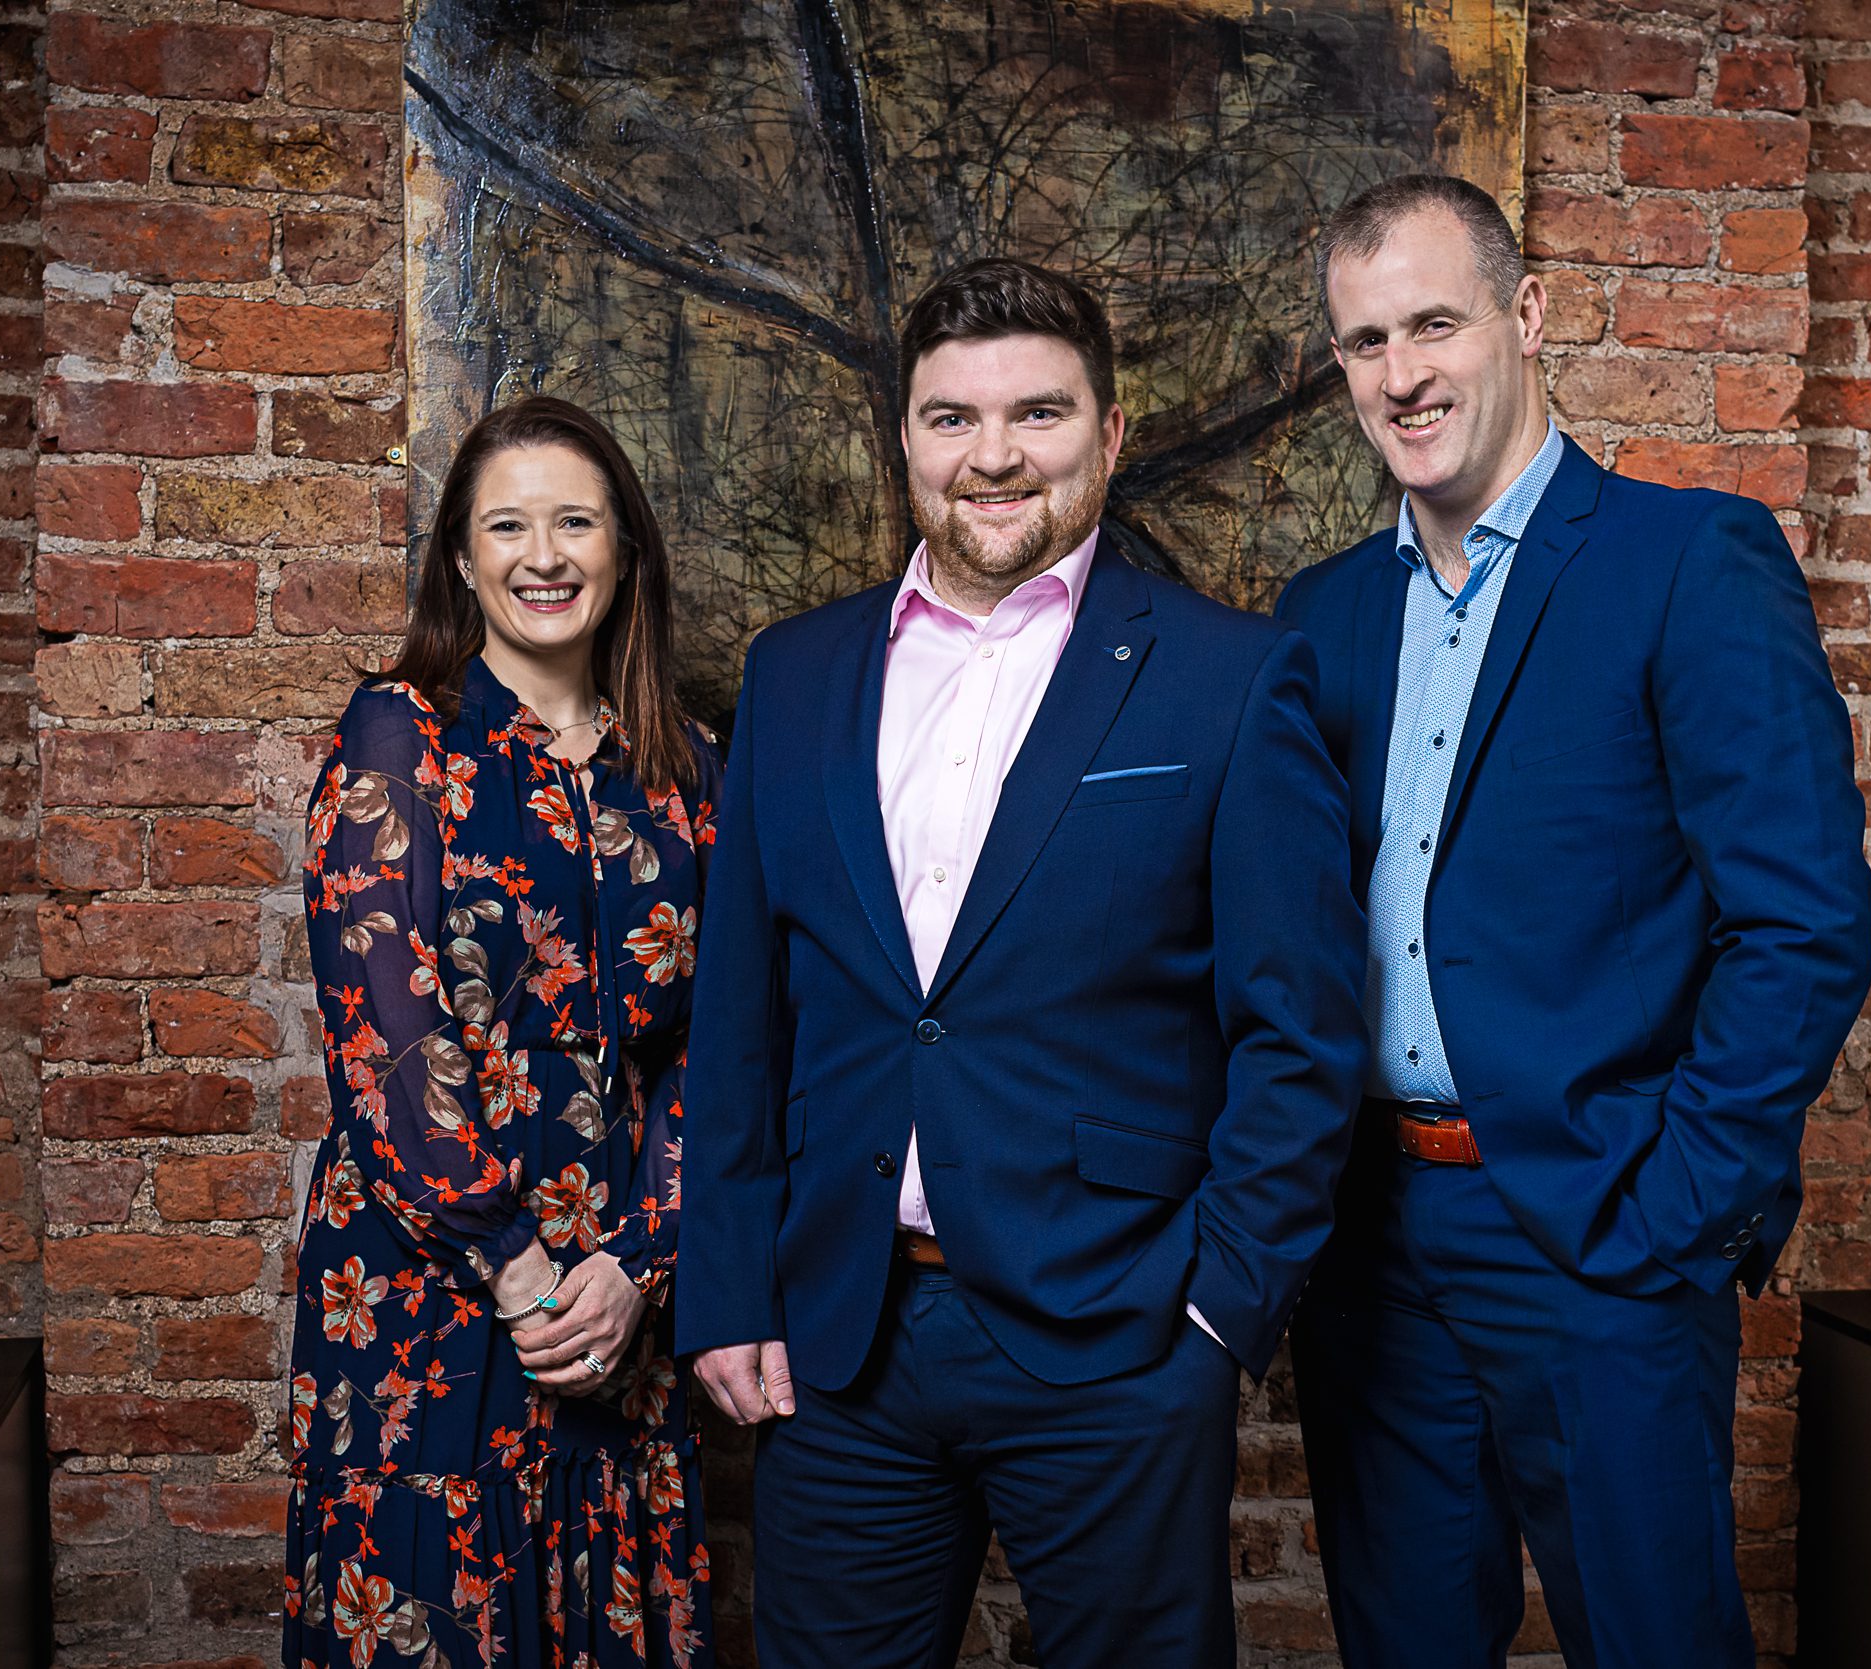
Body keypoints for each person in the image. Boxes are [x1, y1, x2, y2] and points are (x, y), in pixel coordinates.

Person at [676, 257, 1366, 1669]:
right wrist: (733, 1284)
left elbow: (1300, 1030)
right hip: (842, 1338)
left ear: (1109, 435)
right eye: (952, 418)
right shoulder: (795, 674)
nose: (994, 457)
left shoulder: (1230, 678)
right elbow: (744, 1012)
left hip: (1117, 1335)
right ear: (907, 437)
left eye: (1039, 414)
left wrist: (1217, 1315)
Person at [1275, 175, 1871, 1668]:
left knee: (1656, 1641)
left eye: (1433, 323)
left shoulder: (1690, 563)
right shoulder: (1318, 615)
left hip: (1602, 1229)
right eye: (1364, 343)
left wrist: (1675, 1211)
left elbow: (1803, 924)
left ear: (1526, 316)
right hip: (1370, 1246)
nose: (1401, 374)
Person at [286, 396, 718, 1669]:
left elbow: (720, 1046)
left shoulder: (689, 768)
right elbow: (385, 1042)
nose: (545, 555)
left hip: (617, 1305)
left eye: (576, 521)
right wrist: (521, 1273)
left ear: (624, 549)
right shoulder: (399, 736)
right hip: (433, 1291)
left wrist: (639, 1264)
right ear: (463, 560)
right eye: (509, 525)